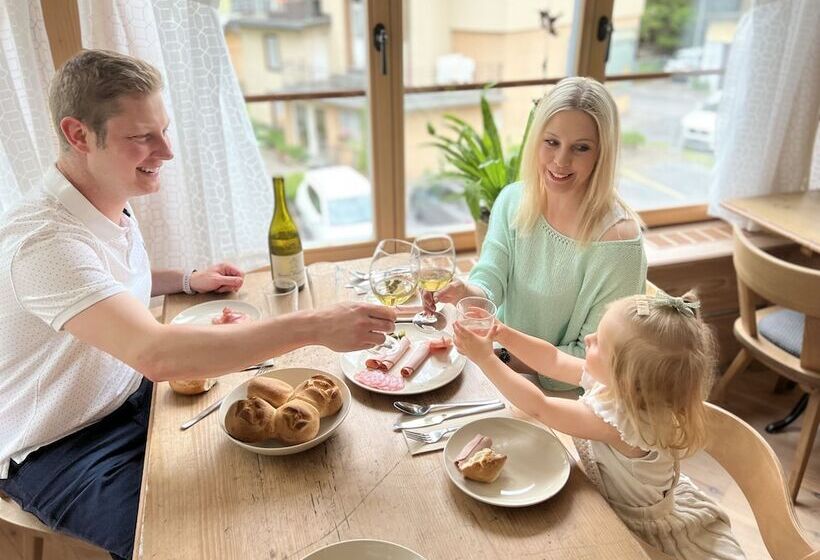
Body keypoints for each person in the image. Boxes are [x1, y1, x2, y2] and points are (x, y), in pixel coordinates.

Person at [0, 49, 395, 559]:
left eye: (164, 130)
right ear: (78, 135)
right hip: (64, 448)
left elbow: (105, 288)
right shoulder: (45, 242)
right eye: (143, 137)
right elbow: (157, 356)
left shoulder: (104, 193)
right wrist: (315, 325)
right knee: (202, 548)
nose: (165, 151)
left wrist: (185, 278)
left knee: (295, 485)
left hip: (134, 399)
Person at [453, 292, 745, 560]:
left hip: (635, 527)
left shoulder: (623, 422)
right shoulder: (619, 387)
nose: (589, 338)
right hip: (604, 497)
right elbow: (553, 358)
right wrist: (503, 332)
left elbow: (540, 407)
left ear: (627, 379)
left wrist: (486, 359)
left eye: (600, 343)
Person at [426, 76, 646, 391]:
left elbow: (590, 364)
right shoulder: (513, 199)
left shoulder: (618, 242)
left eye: (581, 148)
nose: (560, 160)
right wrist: (463, 292)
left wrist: (497, 356)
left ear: (602, 153)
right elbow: (490, 284)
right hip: (499, 373)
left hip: (568, 400)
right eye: (552, 142)